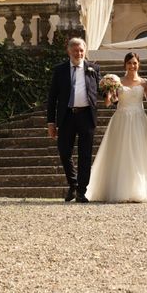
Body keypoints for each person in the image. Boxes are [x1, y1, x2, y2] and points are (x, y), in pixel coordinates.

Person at [86, 53, 147, 203]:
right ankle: (119, 189)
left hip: (138, 119)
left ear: (138, 64)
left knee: (139, 152)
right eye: (129, 63)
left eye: (135, 63)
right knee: (121, 152)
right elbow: (110, 103)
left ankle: (140, 189)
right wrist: (108, 92)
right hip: (121, 118)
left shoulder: (144, 83)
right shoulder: (118, 82)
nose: (132, 66)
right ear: (125, 64)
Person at [47, 37, 100, 203]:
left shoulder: (94, 69)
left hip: (86, 116)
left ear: (85, 51)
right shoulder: (60, 70)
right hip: (67, 116)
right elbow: (52, 98)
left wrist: (112, 93)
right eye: (76, 50)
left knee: (85, 155)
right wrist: (51, 122)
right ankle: (73, 183)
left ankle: (81, 191)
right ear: (69, 51)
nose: (79, 53)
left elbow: (101, 91)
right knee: (64, 152)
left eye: (81, 50)